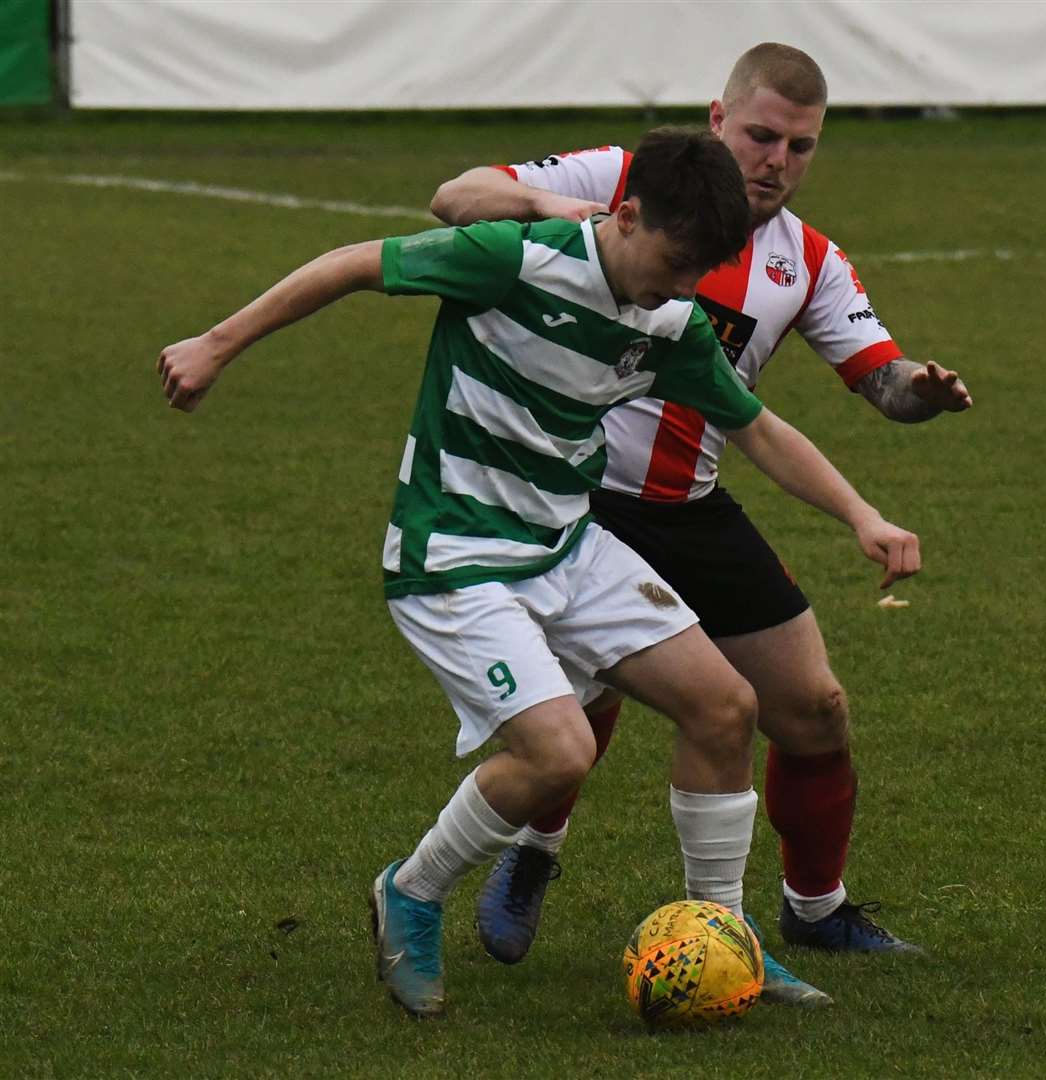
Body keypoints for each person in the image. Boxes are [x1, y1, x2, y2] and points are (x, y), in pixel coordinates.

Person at [156, 128, 921, 1018]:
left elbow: (759, 429)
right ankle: (411, 887)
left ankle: (725, 936)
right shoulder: (513, 259)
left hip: (567, 544)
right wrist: (215, 343)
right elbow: (353, 262)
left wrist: (861, 514)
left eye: (699, 273)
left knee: (726, 708)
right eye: (674, 263)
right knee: (557, 752)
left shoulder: (670, 315)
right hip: (454, 552)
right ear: (624, 216)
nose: (681, 289)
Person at [430, 43, 972, 984]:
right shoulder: (626, 178)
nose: (777, 161)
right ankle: (530, 857)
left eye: (800, 147)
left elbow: (877, 382)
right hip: (574, 501)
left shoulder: (807, 257)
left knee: (811, 710)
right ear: (717, 122)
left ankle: (814, 911)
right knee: (578, 710)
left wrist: (920, 389)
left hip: (690, 506)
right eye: (761, 135)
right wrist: (563, 210)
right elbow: (456, 196)